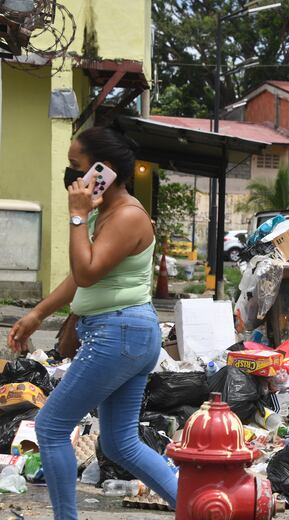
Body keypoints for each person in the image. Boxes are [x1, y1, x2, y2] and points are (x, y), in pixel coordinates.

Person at [6, 127, 177, 518]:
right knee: (119, 443)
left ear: (105, 170)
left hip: (118, 334)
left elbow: (85, 272)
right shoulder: (111, 213)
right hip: (125, 334)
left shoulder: (127, 216)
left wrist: (78, 215)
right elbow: (81, 278)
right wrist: (37, 314)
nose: (71, 178)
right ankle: (193, 507)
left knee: (49, 428)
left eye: (75, 167)